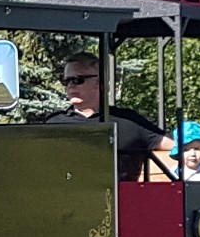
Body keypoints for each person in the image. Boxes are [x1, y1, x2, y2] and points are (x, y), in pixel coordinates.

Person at [45, 52, 176, 180]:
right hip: (69, 198)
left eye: (77, 80)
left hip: (122, 199)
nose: (70, 86)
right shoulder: (53, 124)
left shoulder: (129, 121)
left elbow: (174, 146)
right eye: (66, 81)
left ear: (99, 82)